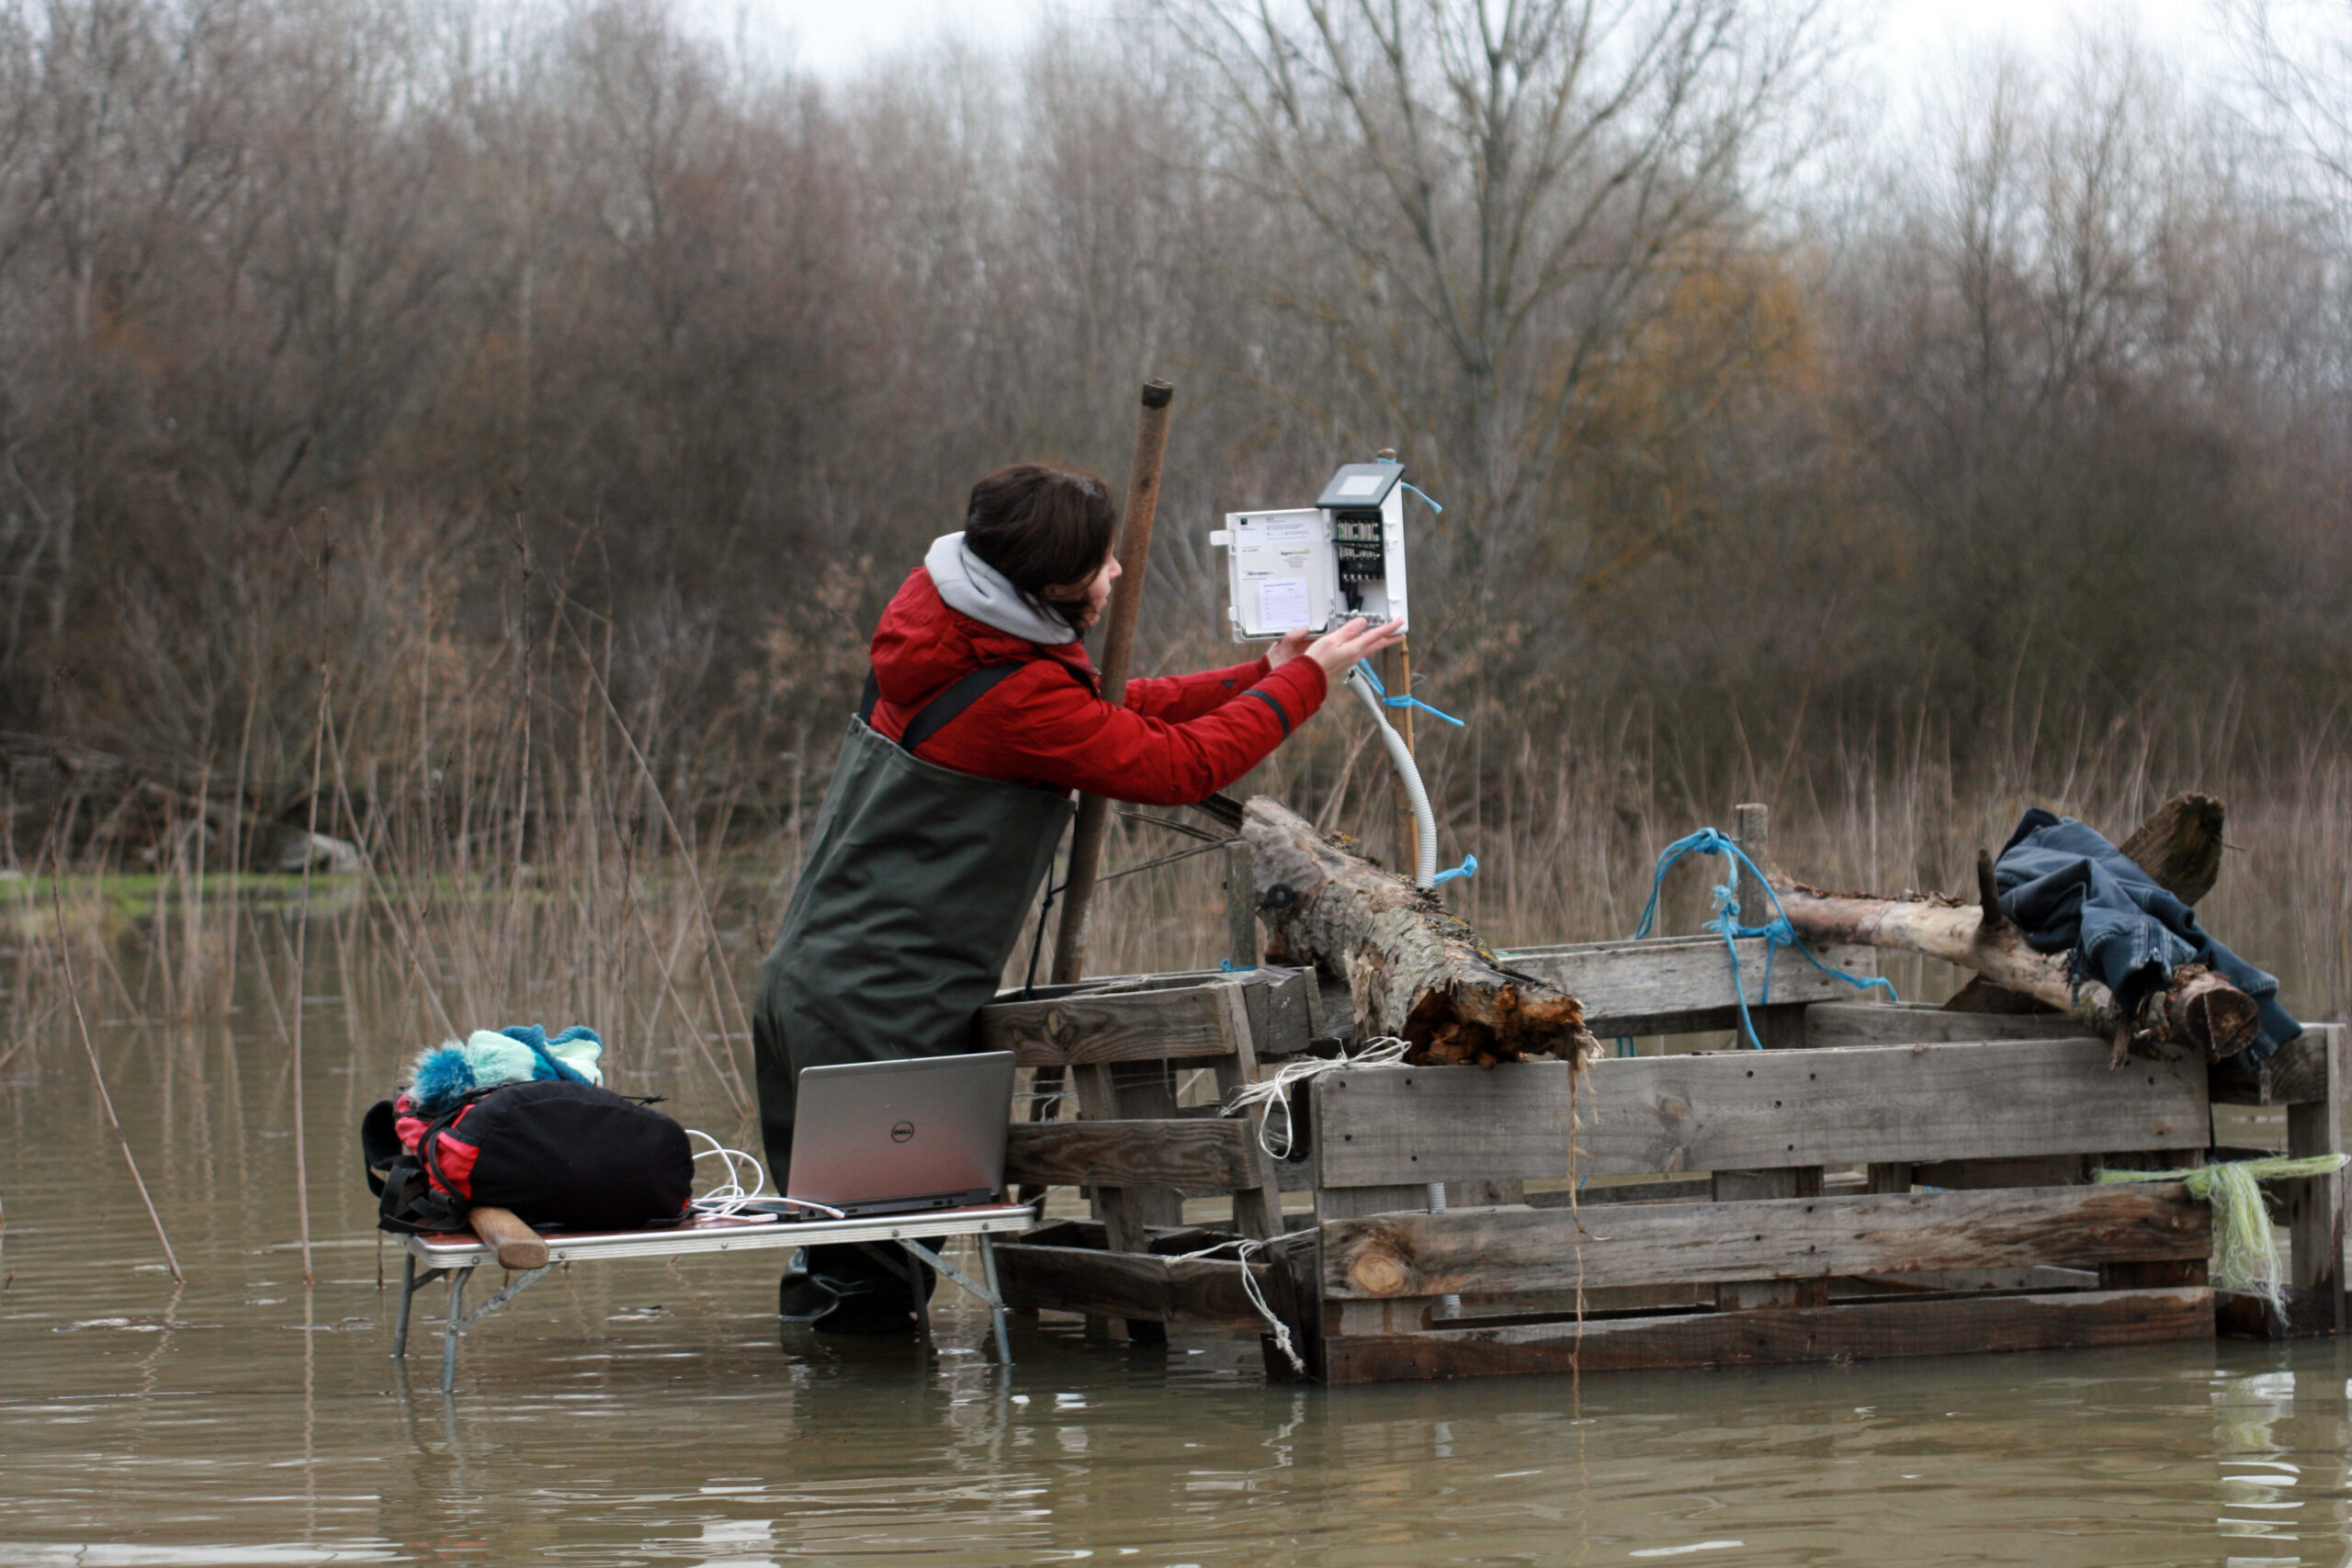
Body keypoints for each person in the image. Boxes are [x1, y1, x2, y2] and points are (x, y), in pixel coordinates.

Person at [753, 460, 1402, 1333]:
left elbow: (1107, 715)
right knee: (871, 1287)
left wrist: (1262, 674)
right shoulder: (1012, 692)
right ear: (1053, 586)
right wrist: (1309, 680)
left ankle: (863, 1447)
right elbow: (1177, 767)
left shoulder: (953, 627)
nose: (1118, 573)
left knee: (853, 1259)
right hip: (879, 1012)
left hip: (826, 990)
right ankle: (868, 1456)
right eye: (1103, 564)